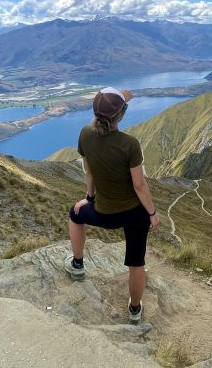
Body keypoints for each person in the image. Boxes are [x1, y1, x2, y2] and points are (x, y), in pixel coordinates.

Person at [66, 87, 160, 325]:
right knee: (136, 263)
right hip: (134, 216)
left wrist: (88, 198)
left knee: (75, 214)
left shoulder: (85, 134)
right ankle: (135, 310)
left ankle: (77, 264)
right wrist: (152, 213)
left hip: (103, 213)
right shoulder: (129, 144)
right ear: (122, 115)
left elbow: (89, 172)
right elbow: (139, 185)